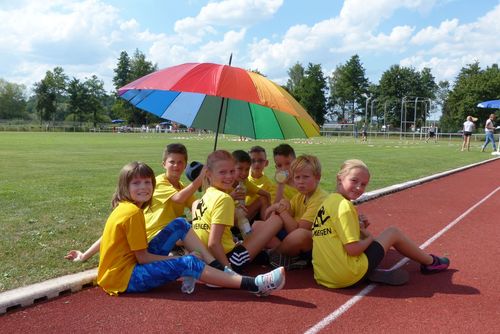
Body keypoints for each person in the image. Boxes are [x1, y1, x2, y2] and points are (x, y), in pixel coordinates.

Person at [95, 161, 285, 296]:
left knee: (180, 224)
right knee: (189, 263)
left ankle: (217, 267)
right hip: (124, 278)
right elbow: (143, 258)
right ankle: (253, 284)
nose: (144, 187)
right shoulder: (132, 213)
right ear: (124, 186)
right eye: (136, 183)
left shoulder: (128, 208)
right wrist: (183, 258)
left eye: (147, 182)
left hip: (123, 269)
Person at [312, 159, 450, 288]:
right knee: (392, 232)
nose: (359, 188)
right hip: (346, 276)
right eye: (354, 181)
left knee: (366, 244)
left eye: (363, 184)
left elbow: (336, 239)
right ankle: (431, 263)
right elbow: (353, 250)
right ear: (339, 178)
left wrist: (360, 229)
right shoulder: (345, 206)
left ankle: (369, 272)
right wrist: (369, 237)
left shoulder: (326, 202)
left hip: (323, 276)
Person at [65, 143, 205, 262]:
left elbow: (196, 205)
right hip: (153, 237)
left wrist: (210, 196)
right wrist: (200, 178)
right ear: (163, 164)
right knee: (188, 233)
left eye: (180, 162)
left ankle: (189, 256)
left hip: (169, 236)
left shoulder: (181, 186)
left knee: (200, 229)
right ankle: (195, 260)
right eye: (172, 162)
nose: (176, 166)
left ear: (185, 164)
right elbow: (179, 198)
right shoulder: (159, 183)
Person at [192, 150, 284, 273]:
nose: (229, 176)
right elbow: (213, 243)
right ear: (208, 174)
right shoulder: (224, 198)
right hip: (230, 260)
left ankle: (269, 255)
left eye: (231, 171)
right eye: (223, 172)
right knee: (276, 220)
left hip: (205, 260)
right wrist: (228, 271)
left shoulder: (204, 197)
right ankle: (279, 254)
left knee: (258, 227)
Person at [254, 155, 327, 270]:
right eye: (297, 178)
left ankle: (271, 255)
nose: (301, 182)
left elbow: (297, 231)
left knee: (299, 235)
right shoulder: (300, 196)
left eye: (305, 177)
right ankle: (285, 257)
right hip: (292, 238)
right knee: (257, 225)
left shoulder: (319, 199)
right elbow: (272, 216)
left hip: (311, 245)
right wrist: (280, 206)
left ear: (317, 177)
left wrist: (281, 210)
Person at [231, 149, 271, 223]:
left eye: (247, 169)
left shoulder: (245, 182)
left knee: (263, 198)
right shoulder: (225, 183)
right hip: (226, 218)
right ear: (231, 168)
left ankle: (266, 224)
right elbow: (217, 204)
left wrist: (271, 207)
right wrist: (231, 197)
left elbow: (266, 194)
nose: (244, 173)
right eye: (240, 169)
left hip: (241, 217)